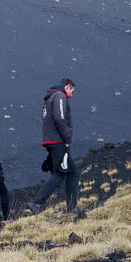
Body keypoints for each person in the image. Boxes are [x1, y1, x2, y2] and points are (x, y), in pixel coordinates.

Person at [31, 79, 78, 216]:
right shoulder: (59, 96)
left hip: (51, 141)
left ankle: (72, 207)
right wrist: (67, 137)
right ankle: (37, 202)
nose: (71, 95)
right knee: (60, 172)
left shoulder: (49, 99)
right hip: (58, 141)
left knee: (72, 172)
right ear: (67, 87)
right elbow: (60, 118)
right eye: (72, 91)